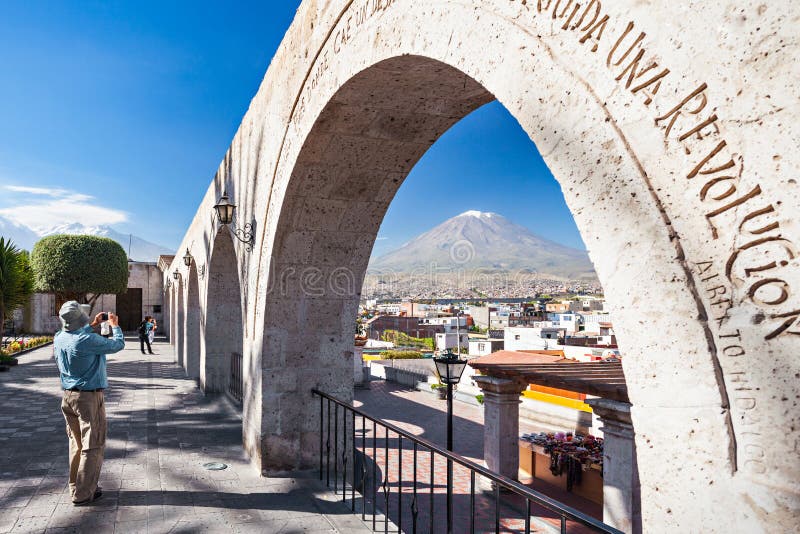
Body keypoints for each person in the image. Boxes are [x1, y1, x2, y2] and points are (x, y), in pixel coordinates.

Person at [54, 301, 125, 506]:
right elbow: (117, 345)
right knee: (93, 444)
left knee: (76, 444)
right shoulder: (87, 339)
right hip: (88, 398)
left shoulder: (60, 337)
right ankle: (84, 493)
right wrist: (115, 326)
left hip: (68, 397)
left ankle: (76, 486)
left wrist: (92, 325)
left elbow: (80, 336)